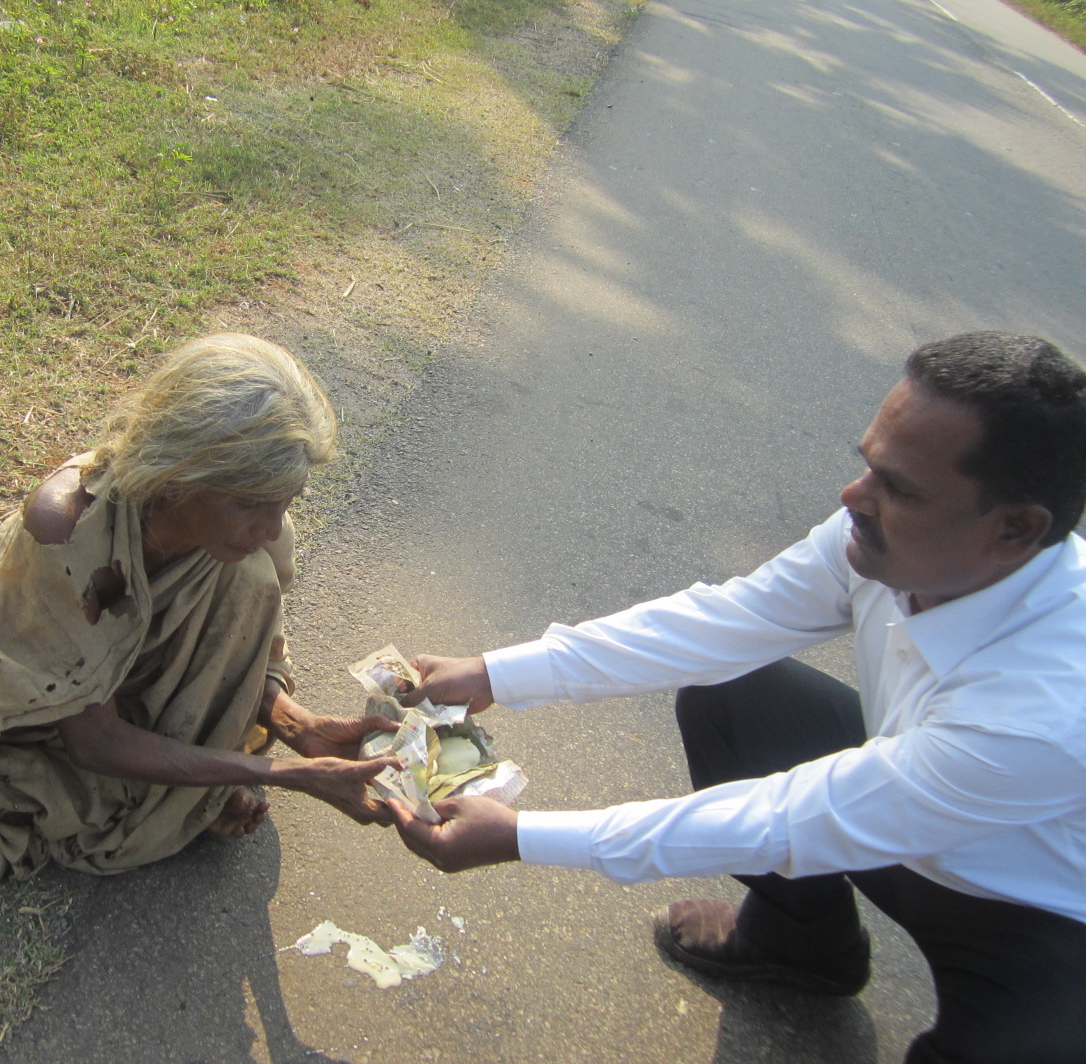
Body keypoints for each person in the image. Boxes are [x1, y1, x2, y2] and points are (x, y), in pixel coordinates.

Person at [389, 332, 1086, 1064]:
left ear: (1015, 528)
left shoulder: (1047, 712)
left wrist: (520, 837)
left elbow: (785, 819)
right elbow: (723, 622)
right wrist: (495, 672)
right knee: (733, 695)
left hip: (1031, 912)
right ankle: (801, 941)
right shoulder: (889, 536)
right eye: (867, 465)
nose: (854, 497)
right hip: (902, 807)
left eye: (901, 488)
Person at [0, 334, 398, 891]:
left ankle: (190, 786)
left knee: (251, 576)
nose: (273, 528)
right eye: (253, 505)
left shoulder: (248, 538)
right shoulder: (70, 531)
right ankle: (185, 792)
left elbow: (237, 655)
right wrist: (291, 774)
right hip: (46, 697)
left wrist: (299, 727)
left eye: (286, 501)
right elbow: (93, 741)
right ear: (182, 475)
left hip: (123, 696)